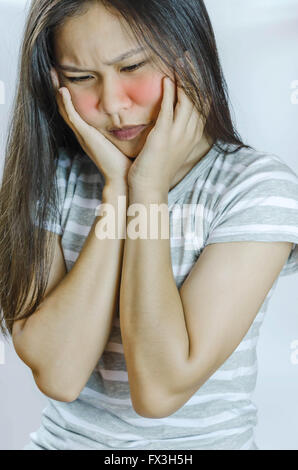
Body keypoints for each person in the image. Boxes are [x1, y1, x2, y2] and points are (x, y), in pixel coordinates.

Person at [0, 0, 298, 451]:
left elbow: (159, 389)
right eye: (81, 78)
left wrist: (149, 192)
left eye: (133, 66)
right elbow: (59, 374)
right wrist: (117, 193)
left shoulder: (257, 187)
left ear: (190, 59)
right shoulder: (52, 174)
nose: (114, 105)